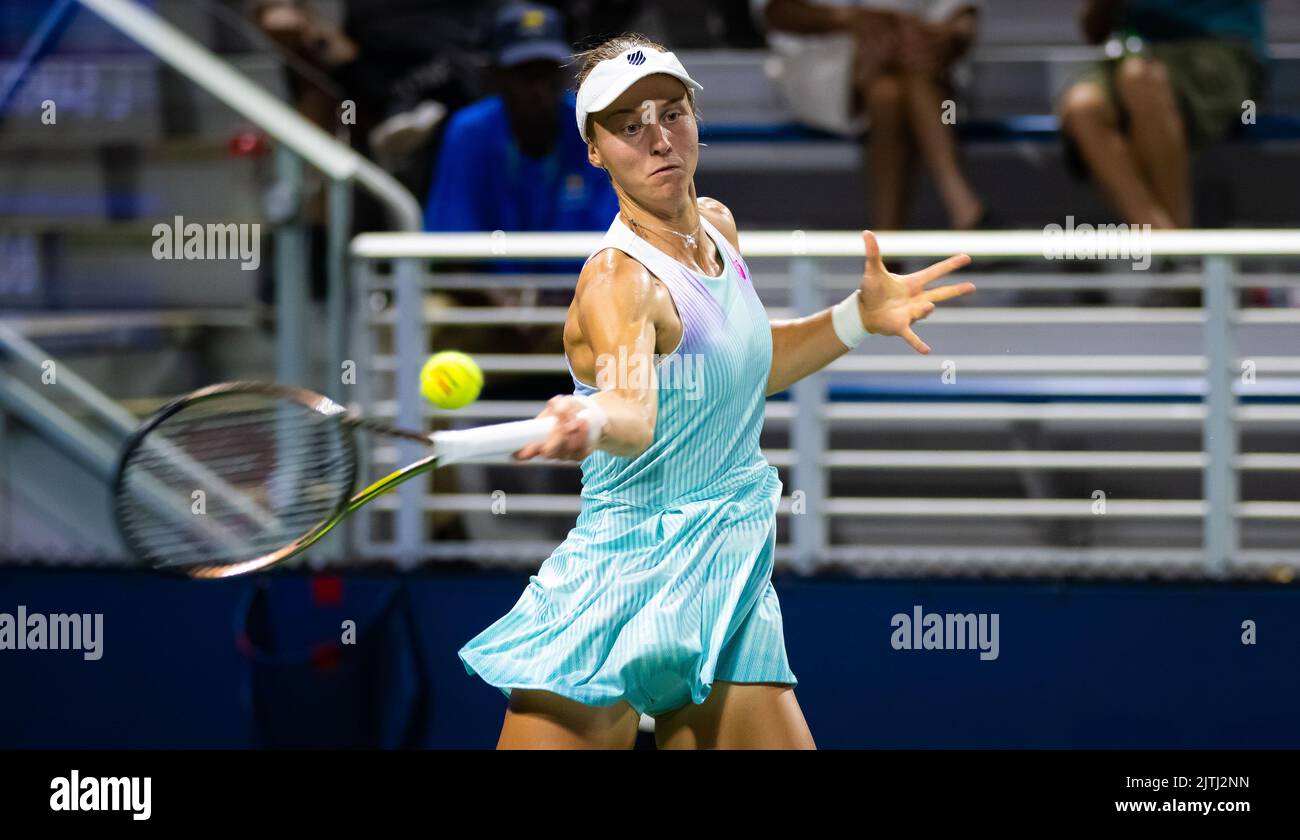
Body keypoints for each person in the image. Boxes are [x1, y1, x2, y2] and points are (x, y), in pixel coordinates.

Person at [458, 35, 975, 749]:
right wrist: (590, 415)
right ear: (595, 151)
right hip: (615, 587)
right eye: (629, 126)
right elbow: (633, 413)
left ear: (696, 117)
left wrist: (857, 318)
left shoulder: (719, 230)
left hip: (722, 581)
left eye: (671, 112)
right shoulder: (618, 281)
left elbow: (742, 368)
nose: (659, 138)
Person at [758, 0, 985, 230]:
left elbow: (962, 15)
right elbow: (774, 12)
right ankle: (965, 208)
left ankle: (888, 249)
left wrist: (945, 37)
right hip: (827, 69)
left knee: (890, 91)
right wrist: (850, 20)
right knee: (892, 88)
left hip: (941, 95)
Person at [1058, 0, 1267, 229]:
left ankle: (1173, 250)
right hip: (1137, 55)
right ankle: (1167, 243)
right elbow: (1094, 33)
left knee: (1140, 80)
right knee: (1083, 106)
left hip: (1220, 49)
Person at [423, 3, 619, 234]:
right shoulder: (469, 131)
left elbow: (613, 241)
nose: (539, 88)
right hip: (489, 271)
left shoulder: (593, 124)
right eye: (525, 75)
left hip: (582, 271)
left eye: (547, 73)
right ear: (497, 77)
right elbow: (452, 249)